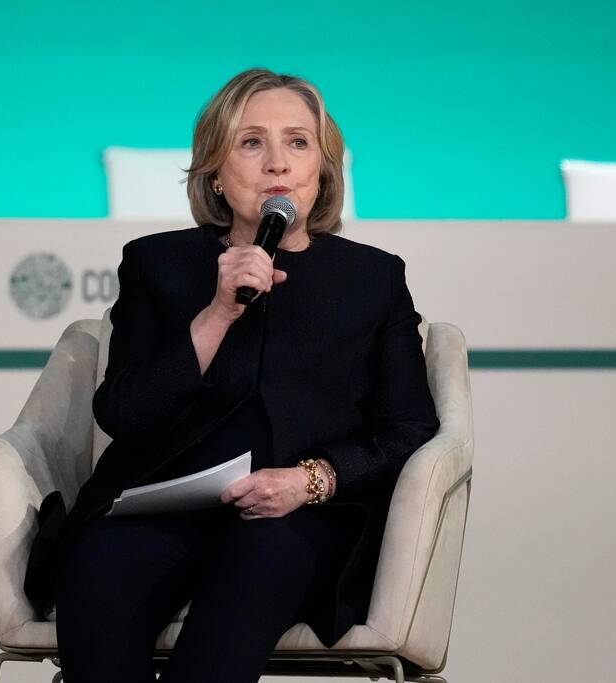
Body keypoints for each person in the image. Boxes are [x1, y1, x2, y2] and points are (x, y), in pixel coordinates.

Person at [25, 68, 440, 683]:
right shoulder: (158, 264)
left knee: (258, 562)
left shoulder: (371, 279)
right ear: (214, 173)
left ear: (322, 169)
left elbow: (409, 426)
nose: (278, 163)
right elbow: (122, 411)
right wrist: (218, 312)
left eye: (298, 143)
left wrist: (312, 481)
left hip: (297, 519)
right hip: (160, 511)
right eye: (252, 142)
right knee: (99, 565)